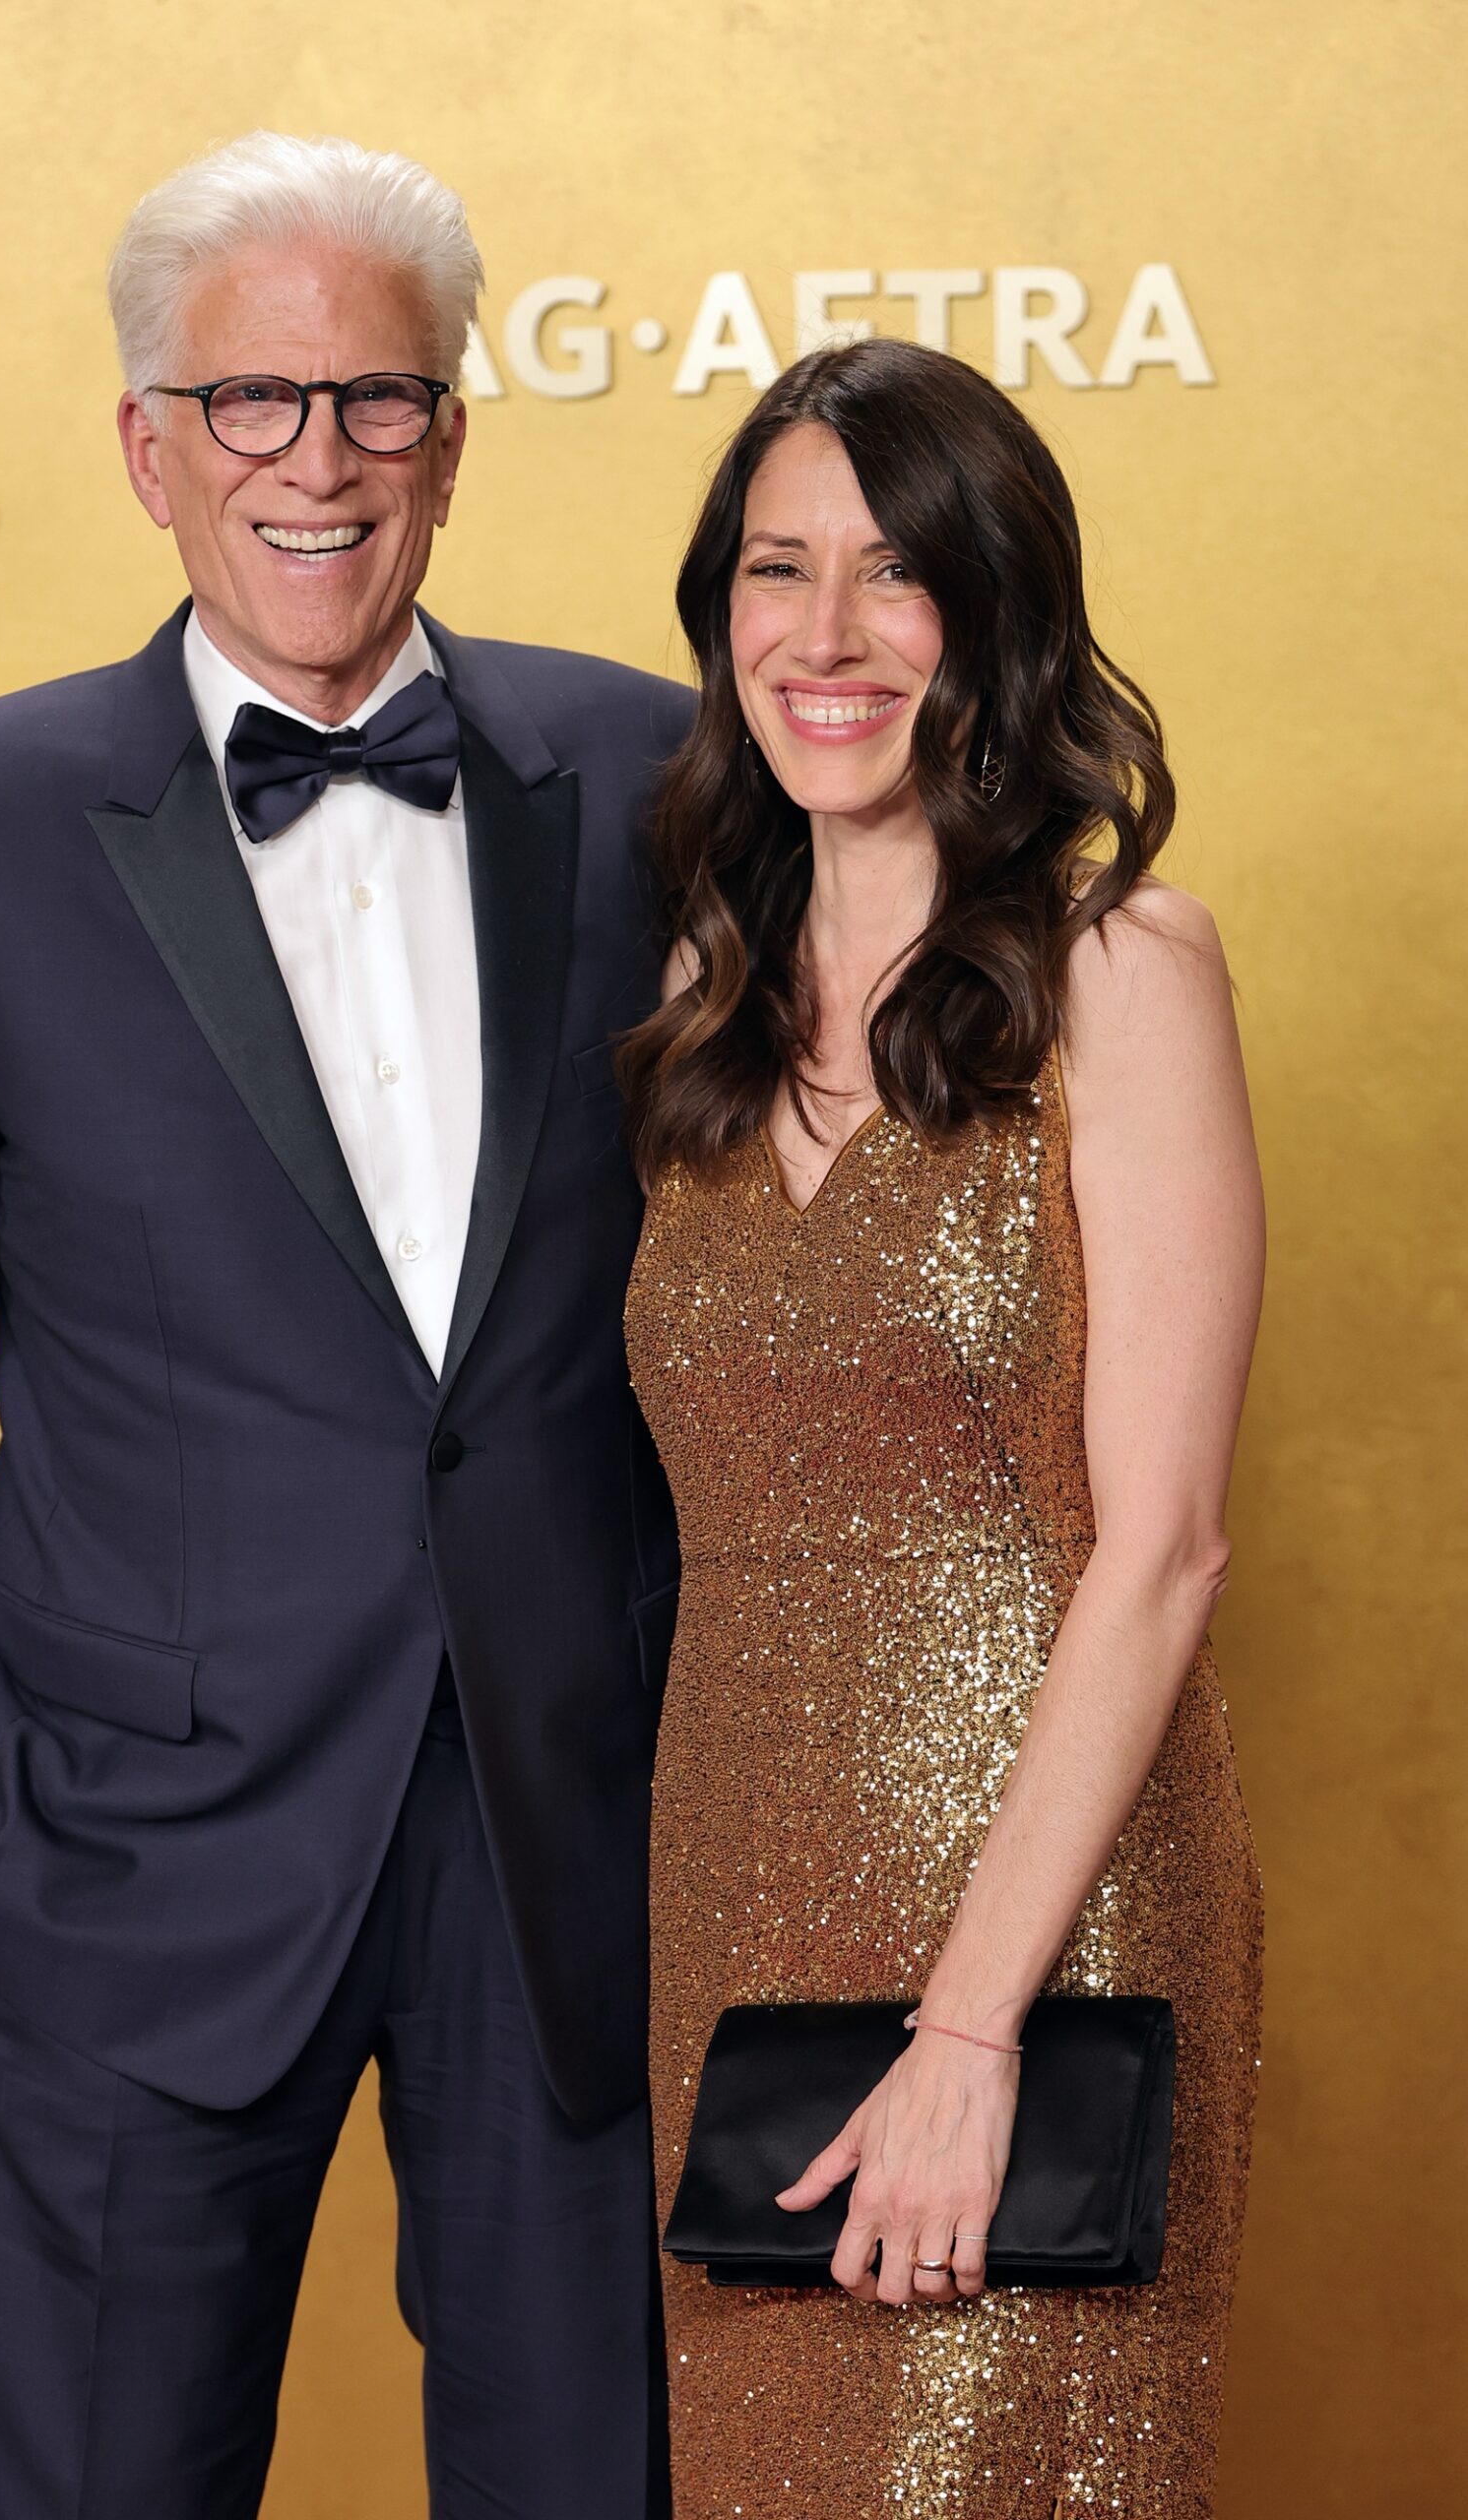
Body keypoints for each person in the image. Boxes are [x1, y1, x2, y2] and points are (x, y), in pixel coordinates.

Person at [0, 131, 691, 2520]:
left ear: (455, 442)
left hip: (572, 1852)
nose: (321, 461)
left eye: (379, 400)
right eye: (257, 401)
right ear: (149, 448)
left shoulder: (650, 775)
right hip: (126, 1869)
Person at [621, 339, 1263, 2517]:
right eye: (775, 571)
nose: (824, 636)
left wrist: (970, 2027)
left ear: (996, 616)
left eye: (894, 577)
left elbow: (1161, 1545)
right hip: (731, 1906)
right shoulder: (695, 1028)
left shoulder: (1121, 973)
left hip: (1047, 1923)